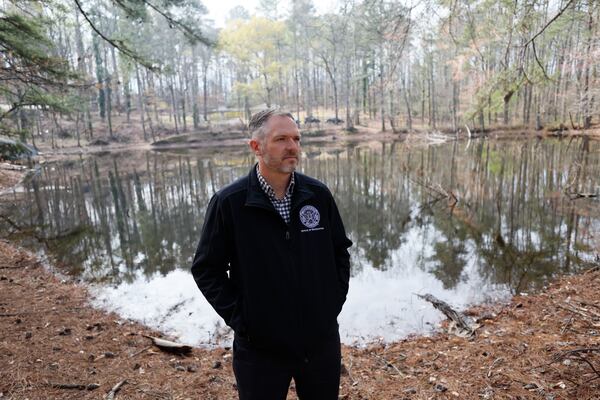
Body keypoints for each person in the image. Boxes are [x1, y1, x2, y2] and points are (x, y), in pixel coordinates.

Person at [191, 109, 352, 400]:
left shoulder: (318, 195)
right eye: (281, 139)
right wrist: (245, 321)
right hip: (260, 350)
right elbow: (206, 269)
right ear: (256, 147)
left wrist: (331, 306)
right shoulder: (230, 202)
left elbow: (340, 252)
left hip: (320, 343)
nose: (293, 147)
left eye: (296, 138)